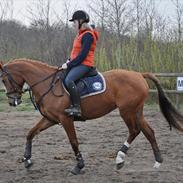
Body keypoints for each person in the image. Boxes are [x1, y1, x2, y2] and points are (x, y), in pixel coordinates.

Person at [61, 10, 99, 117]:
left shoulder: (88, 35)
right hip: (77, 63)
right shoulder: (80, 35)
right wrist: (68, 60)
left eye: (74, 22)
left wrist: (69, 65)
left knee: (69, 80)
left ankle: (76, 107)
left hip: (85, 64)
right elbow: (75, 53)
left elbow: (82, 55)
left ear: (81, 21)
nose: (73, 24)